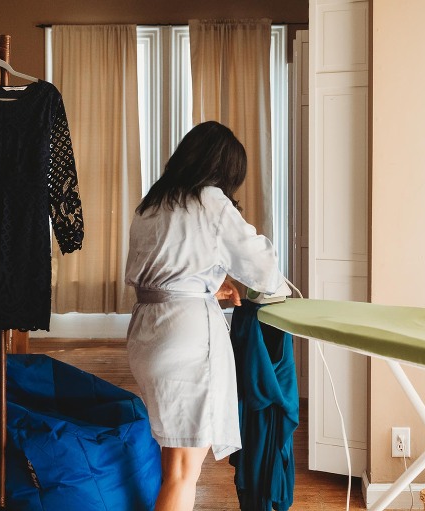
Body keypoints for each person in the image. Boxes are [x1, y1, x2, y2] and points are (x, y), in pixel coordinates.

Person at [124, 121, 285, 511]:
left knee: (173, 461)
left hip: (148, 333)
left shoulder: (153, 204)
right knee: (184, 472)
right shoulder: (211, 201)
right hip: (186, 340)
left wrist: (211, 286)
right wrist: (271, 290)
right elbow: (262, 269)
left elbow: (165, 273)